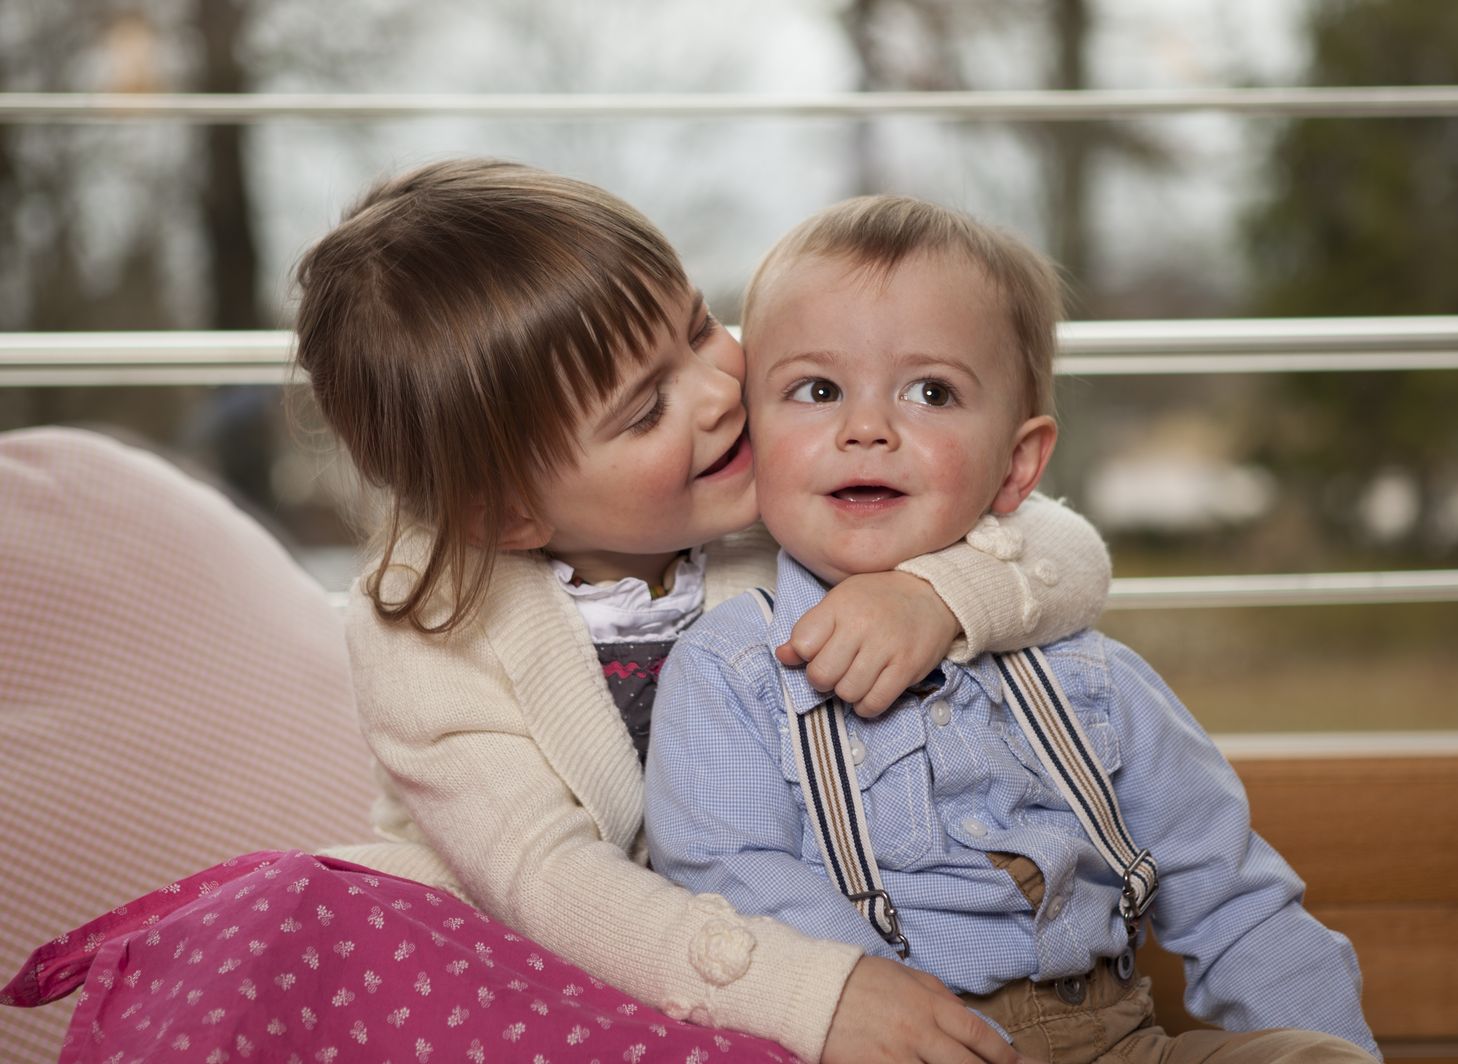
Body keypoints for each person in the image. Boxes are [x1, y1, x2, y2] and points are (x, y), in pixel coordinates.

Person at [293, 160, 1116, 1063]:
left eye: (697, 327)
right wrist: (809, 990)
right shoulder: (427, 622)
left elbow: (1059, 547)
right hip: (538, 967)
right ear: (504, 511)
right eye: (647, 409)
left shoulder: (766, 479)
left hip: (788, 913)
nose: (722, 392)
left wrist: (938, 597)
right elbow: (546, 882)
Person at [643, 195, 1382, 1062]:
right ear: (752, 437)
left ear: (1018, 463)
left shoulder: (1091, 679)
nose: (867, 428)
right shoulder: (731, 670)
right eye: (816, 389)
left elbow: (1235, 899)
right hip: (898, 1043)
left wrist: (1334, 1045)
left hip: (1120, 1041)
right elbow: (734, 884)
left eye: (931, 392)